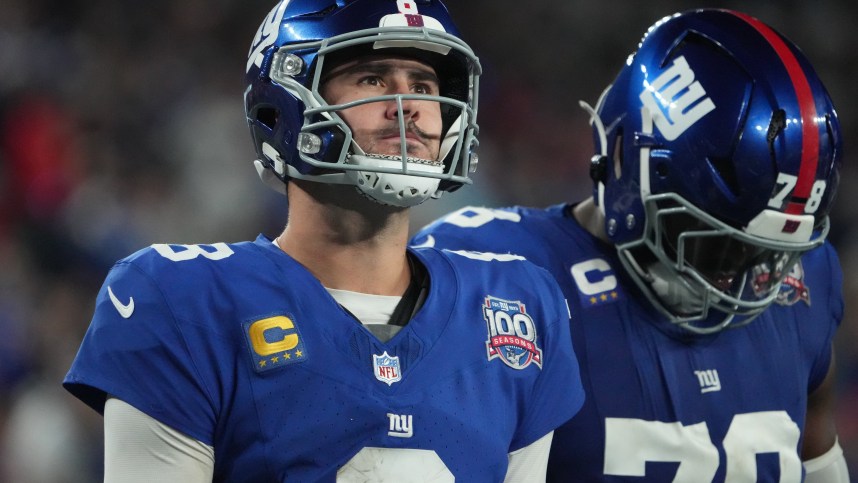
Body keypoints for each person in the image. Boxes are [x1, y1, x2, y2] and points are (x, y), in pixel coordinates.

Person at [62, 0, 585, 481]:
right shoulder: (182, 299)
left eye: (424, 86)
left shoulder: (517, 304)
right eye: (372, 78)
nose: (408, 107)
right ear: (282, 107)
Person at [414, 8, 849, 482]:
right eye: (716, 243)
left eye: (766, 254)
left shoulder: (806, 279)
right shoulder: (499, 271)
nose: (737, 277)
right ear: (627, 162)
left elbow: (818, 454)